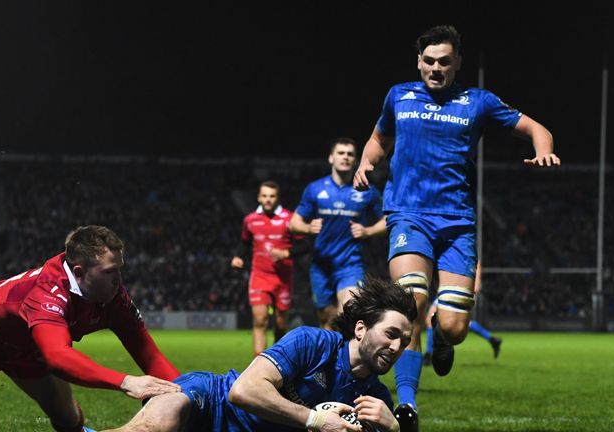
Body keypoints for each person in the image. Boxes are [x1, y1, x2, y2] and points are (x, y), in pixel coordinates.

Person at [353, 25, 560, 429]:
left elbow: (537, 129)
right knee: (409, 302)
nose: (436, 68)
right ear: (418, 62)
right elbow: (379, 139)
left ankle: (443, 335)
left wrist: (544, 151)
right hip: (408, 214)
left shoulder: (478, 101)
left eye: (444, 61)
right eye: (429, 61)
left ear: (457, 63)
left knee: (455, 326)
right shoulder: (398, 96)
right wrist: (366, 162)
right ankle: (407, 405)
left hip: (457, 223)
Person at [0, 225, 181, 432]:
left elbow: (148, 354)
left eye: (119, 269)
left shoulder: (114, 296)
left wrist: (184, 392)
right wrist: (126, 382)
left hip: (29, 346)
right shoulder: (46, 294)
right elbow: (57, 357)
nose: (119, 280)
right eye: (109, 272)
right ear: (79, 273)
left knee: (69, 420)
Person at [100, 277, 417, 432]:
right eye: (390, 334)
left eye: (404, 342)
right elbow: (243, 391)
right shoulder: (313, 342)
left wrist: (394, 429)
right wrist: (316, 420)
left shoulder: (375, 401)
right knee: (165, 415)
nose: (396, 347)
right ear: (360, 329)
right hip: (214, 404)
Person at [289, 137, 386, 330]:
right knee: (327, 318)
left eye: (350, 154)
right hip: (321, 266)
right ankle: (330, 349)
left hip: (351, 265)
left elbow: (388, 220)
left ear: (355, 159)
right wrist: (308, 228)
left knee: (349, 310)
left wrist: (368, 231)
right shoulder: (315, 189)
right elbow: (293, 224)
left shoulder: (368, 191)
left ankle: (346, 350)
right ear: (331, 158)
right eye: (341, 153)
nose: (345, 157)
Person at [231, 180, 309, 357]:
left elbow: (305, 245)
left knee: (281, 323)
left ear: (277, 198)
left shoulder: (290, 219)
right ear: (259, 197)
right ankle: (258, 363)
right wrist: (238, 257)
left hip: (283, 279)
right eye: (264, 196)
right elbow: (244, 243)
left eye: (272, 196)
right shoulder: (250, 220)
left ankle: (277, 360)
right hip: (259, 276)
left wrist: (286, 253)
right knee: (260, 319)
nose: (268, 199)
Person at [423, 262, 501, 364]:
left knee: (438, 320)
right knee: (460, 323)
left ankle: (429, 354)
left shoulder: (469, 257)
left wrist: (474, 285)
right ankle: (492, 339)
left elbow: (476, 277)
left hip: (457, 288)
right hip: (450, 287)